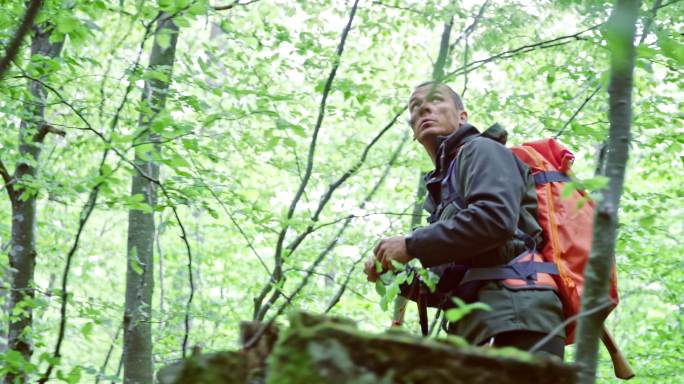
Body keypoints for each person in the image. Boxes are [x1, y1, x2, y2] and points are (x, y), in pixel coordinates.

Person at [363, 82, 565, 359]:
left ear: (462, 116)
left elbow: (495, 220)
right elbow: (443, 286)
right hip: (477, 327)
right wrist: (394, 273)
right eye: (414, 106)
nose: (423, 108)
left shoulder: (482, 150)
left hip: (515, 313)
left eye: (435, 101)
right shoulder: (442, 193)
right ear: (413, 131)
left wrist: (412, 244)